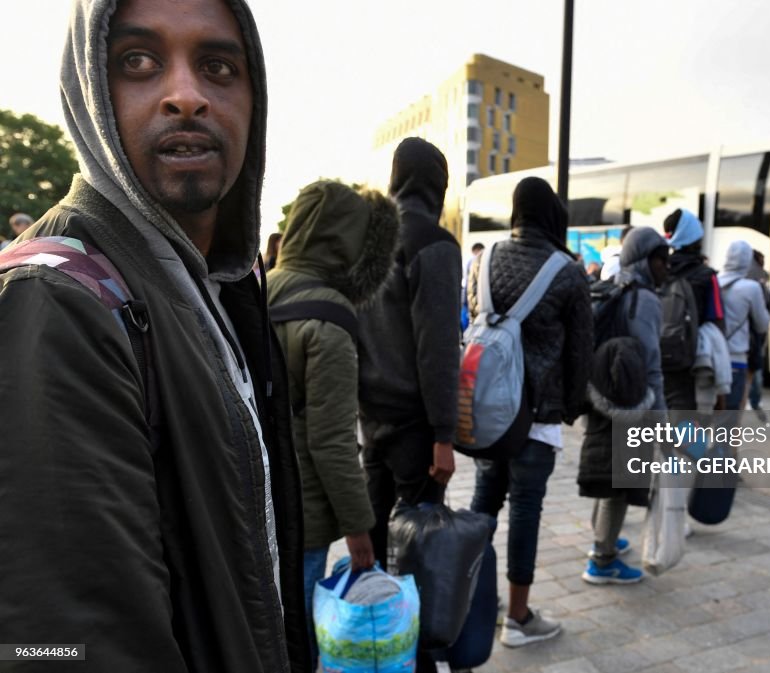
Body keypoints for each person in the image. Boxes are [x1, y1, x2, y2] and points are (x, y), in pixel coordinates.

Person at [0, 1, 310, 671]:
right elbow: (61, 645)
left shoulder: (218, 286)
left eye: (218, 66)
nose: (186, 97)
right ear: (88, 89)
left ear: (255, 101)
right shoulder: (59, 297)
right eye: (138, 61)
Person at [268, 181, 398, 664]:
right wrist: (359, 527)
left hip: (255, 495)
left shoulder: (259, 286)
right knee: (298, 636)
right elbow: (332, 440)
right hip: (306, 510)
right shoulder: (329, 317)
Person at [467, 177, 593, 648]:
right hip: (535, 415)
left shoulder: (484, 260)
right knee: (525, 509)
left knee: (483, 504)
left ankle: (471, 599)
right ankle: (518, 617)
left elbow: (477, 321)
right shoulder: (567, 270)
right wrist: (573, 407)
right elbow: (581, 348)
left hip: (486, 408)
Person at [358, 137, 460, 568]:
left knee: (378, 532)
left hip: (371, 415)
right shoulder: (433, 242)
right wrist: (444, 436)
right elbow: (437, 349)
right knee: (420, 547)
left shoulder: (368, 238)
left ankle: (381, 628)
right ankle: (415, 630)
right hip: (415, 424)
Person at [580, 227, 669, 586]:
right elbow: (651, 366)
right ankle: (603, 561)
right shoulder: (644, 299)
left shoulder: (613, 287)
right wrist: (661, 420)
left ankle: (605, 539)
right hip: (631, 400)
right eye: (659, 259)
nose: (666, 266)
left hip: (602, 394)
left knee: (608, 474)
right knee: (621, 480)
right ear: (642, 259)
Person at [661, 208, 724, 410]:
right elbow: (717, 319)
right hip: (691, 360)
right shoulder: (706, 276)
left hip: (658, 355)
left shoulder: (660, 269)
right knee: (687, 425)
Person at [717, 240, 770, 410]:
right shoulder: (751, 287)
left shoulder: (714, 281)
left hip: (711, 354)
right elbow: (762, 325)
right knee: (728, 418)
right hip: (736, 358)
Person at [746, 249, 770, 419]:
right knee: (755, 374)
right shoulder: (755, 284)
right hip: (753, 338)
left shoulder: (762, 284)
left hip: (753, 338)